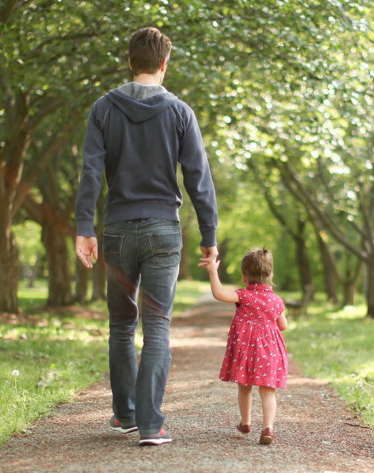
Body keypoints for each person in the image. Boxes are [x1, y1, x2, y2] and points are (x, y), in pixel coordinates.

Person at [75, 27, 218, 446]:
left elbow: (90, 172)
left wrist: (85, 227)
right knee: (156, 327)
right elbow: (199, 178)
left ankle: (125, 416)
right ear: (164, 64)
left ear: (130, 61)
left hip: (117, 231)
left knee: (121, 326)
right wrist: (209, 235)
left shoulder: (103, 108)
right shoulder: (179, 112)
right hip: (162, 233)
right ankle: (152, 426)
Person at [200, 248, 288, 445]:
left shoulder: (244, 296)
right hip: (268, 351)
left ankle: (246, 422)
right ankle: (268, 428)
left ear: (244, 277)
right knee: (268, 390)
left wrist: (213, 271)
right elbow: (283, 325)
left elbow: (219, 293)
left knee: (245, 386)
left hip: (247, 352)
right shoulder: (276, 301)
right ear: (271, 275)